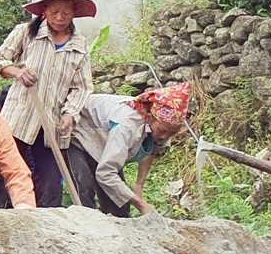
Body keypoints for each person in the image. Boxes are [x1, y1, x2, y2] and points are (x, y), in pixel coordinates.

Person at [0, 0, 95, 208]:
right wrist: (17, 72)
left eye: (66, 12)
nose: (59, 18)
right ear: (44, 10)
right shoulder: (26, 33)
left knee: (49, 187)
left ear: (74, 12)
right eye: (54, 11)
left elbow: (82, 87)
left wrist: (69, 114)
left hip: (51, 128)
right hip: (18, 122)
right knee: (10, 178)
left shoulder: (79, 44)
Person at [68, 83, 191, 217]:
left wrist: (138, 186)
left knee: (119, 207)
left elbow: (151, 149)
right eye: (162, 131)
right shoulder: (127, 124)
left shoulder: (163, 126)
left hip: (103, 141)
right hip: (78, 131)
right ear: (150, 118)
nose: (164, 136)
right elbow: (106, 173)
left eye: (171, 133)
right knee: (84, 193)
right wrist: (141, 205)